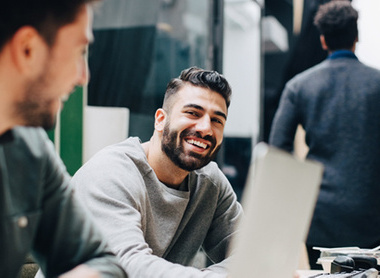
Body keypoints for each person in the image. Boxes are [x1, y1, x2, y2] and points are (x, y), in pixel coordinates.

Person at [72, 67, 243, 278]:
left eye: (217, 120)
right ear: (160, 119)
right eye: (192, 113)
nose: (206, 128)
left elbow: (250, 253)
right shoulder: (110, 174)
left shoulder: (211, 183)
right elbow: (128, 266)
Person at [0, 1, 127, 277]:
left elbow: (105, 262)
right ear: (27, 50)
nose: (84, 77)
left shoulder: (31, 151)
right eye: (80, 52)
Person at [269, 0, 380, 269]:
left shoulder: (299, 86)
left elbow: (278, 151)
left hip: (319, 216)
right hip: (372, 214)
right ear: (357, 37)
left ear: (322, 40)